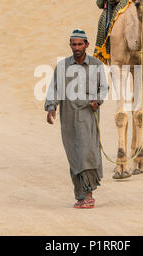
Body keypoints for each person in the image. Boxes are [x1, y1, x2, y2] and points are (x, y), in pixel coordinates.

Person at [44, 29, 108, 209]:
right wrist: (51, 107)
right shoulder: (63, 66)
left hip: (89, 116)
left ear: (87, 45)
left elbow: (103, 87)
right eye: (74, 44)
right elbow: (54, 88)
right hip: (69, 116)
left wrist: (98, 100)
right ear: (70, 45)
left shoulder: (97, 64)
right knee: (74, 154)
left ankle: (89, 195)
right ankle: (80, 195)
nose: (77, 47)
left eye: (80, 44)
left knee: (87, 153)